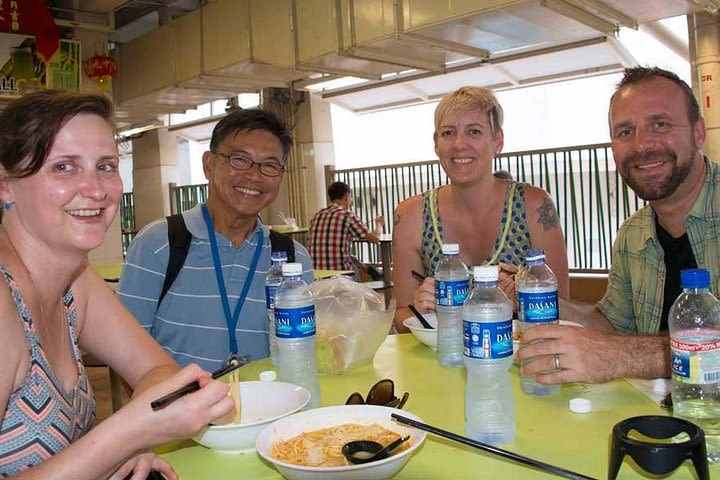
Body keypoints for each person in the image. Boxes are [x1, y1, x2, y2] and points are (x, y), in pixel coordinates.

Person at [0, 90, 232, 478]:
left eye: (105, 166)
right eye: (63, 167)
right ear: (5, 186)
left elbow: (157, 370)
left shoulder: (75, 281)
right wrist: (127, 434)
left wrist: (138, 439)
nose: (95, 189)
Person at [519, 66, 715, 384]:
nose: (641, 145)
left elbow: (617, 347)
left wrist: (619, 356)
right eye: (625, 132)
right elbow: (612, 325)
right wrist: (539, 298)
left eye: (660, 124)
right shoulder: (633, 234)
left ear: (698, 133)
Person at [119, 108, 314, 371]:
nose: (254, 175)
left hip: (273, 407)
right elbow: (126, 353)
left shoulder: (292, 258)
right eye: (239, 159)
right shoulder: (158, 244)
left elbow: (304, 349)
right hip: (182, 409)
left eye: (269, 165)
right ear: (209, 165)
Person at [392, 86, 570, 332]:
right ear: (436, 144)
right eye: (448, 133)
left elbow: (564, 306)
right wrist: (419, 309)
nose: (459, 144)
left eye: (474, 132)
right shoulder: (411, 215)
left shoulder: (533, 205)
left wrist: (527, 297)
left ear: (498, 140)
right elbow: (401, 319)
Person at [308, 181, 383, 274]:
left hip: (316, 275)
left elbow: (335, 250)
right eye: (351, 197)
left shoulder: (317, 215)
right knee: (355, 273)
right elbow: (375, 239)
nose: (351, 200)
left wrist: (365, 267)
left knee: (353, 261)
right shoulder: (347, 215)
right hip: (341, 276)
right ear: (347, 196)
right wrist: (379, 224)